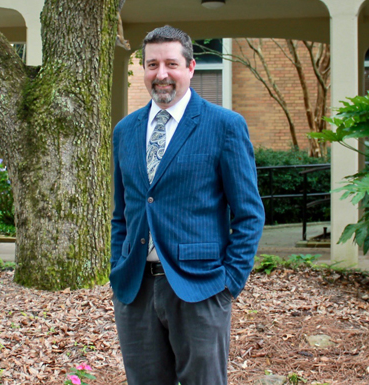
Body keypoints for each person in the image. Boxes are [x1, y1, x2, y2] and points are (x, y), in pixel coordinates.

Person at [110, 25, 265, 385]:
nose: (161, 74)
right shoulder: (125, 131)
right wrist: (119, 264)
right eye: (151, 65)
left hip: (201, 288)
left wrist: (229, 282)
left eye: (170, 64)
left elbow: (249, 214)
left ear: (191, 68)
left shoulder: (224, 126)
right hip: (135, 290)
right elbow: (122, 213)